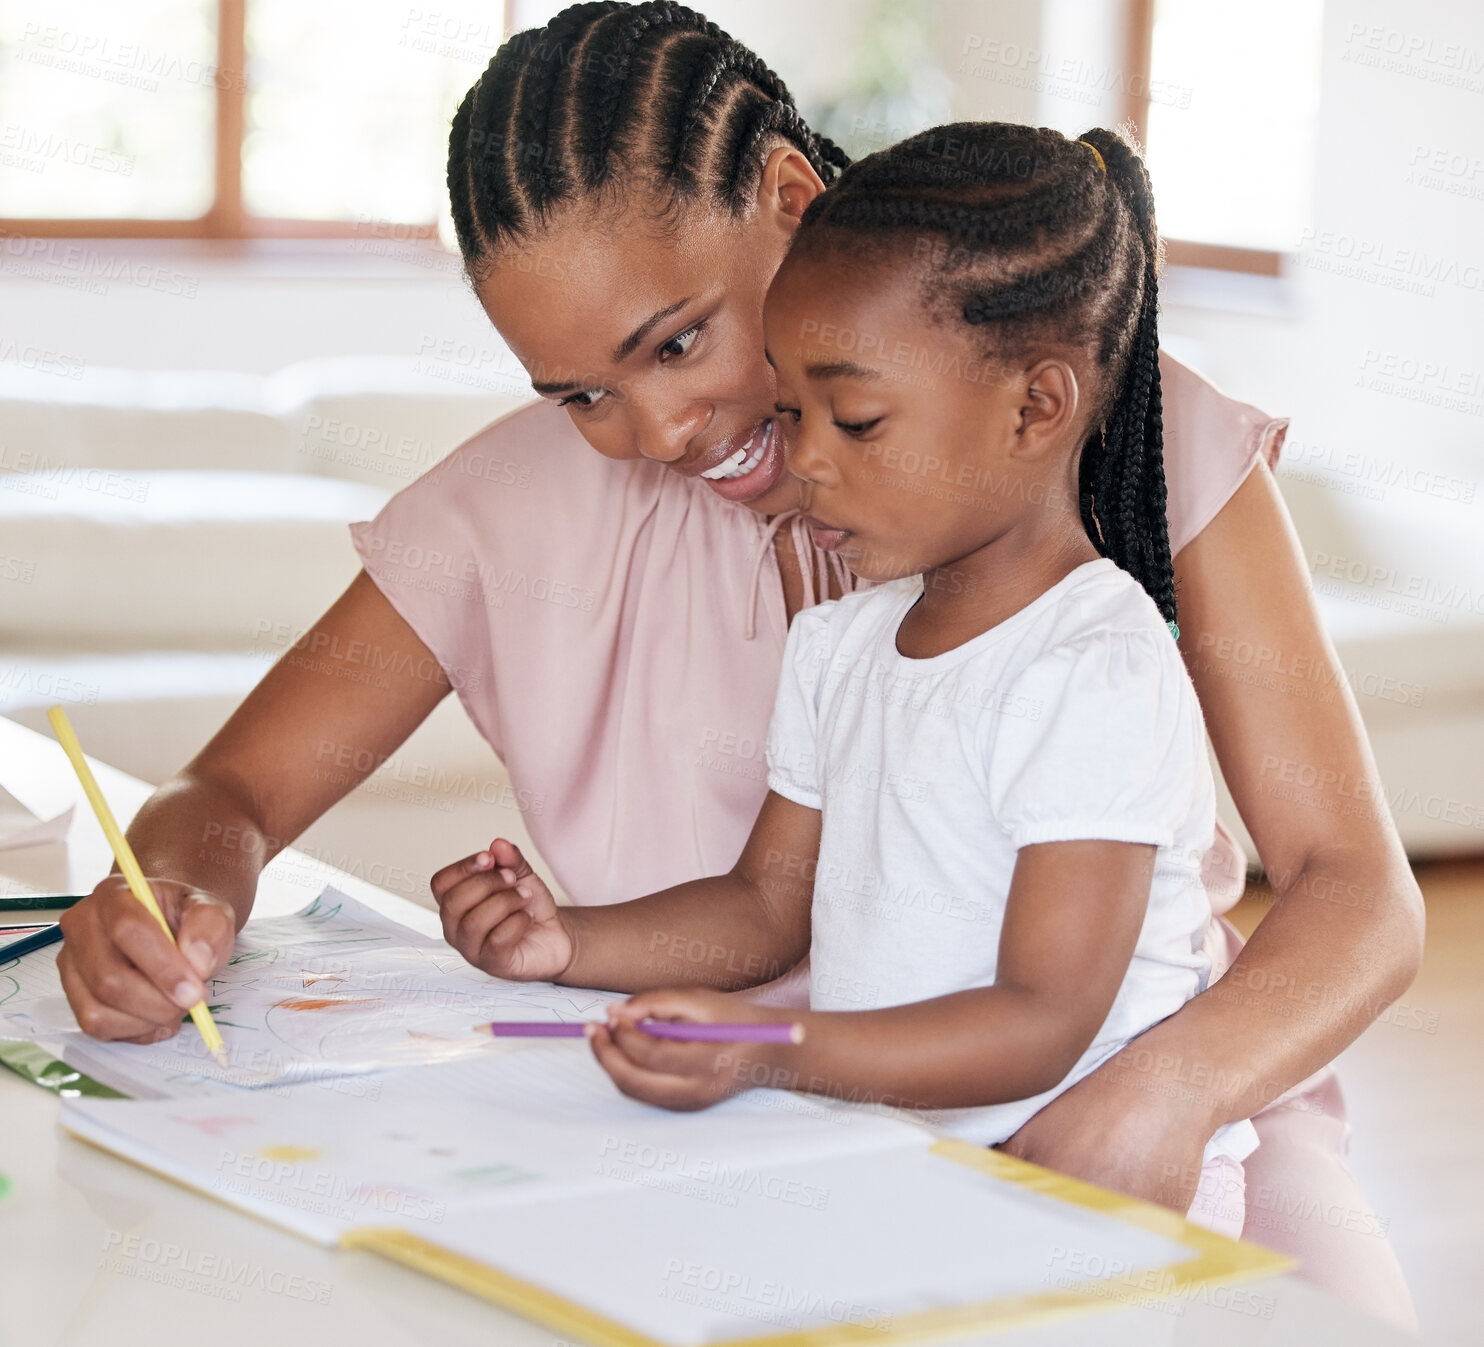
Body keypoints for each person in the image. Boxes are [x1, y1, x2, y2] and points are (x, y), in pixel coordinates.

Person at [56, 3, 1420, 1326]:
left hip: (1153, 1115)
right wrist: (164, 888)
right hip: (732, 1131)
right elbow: (228, 788)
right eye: (579, 392)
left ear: (785, 192)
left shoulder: (1090, 417)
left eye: (678, 341)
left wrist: (1165, 1094)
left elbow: (1356, 892)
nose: (655, 430)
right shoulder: (508, 516)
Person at [427, 118, 1263, 1237]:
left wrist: (768, 1050)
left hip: (1097, 1187)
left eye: (855, 420)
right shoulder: (843, 645)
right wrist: (565, 942)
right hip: (914, 1156)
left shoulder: (1092, 667)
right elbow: (766, 907)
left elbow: (1042, 1021)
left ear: (1036, 406)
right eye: (789, 413)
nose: (805, 460)